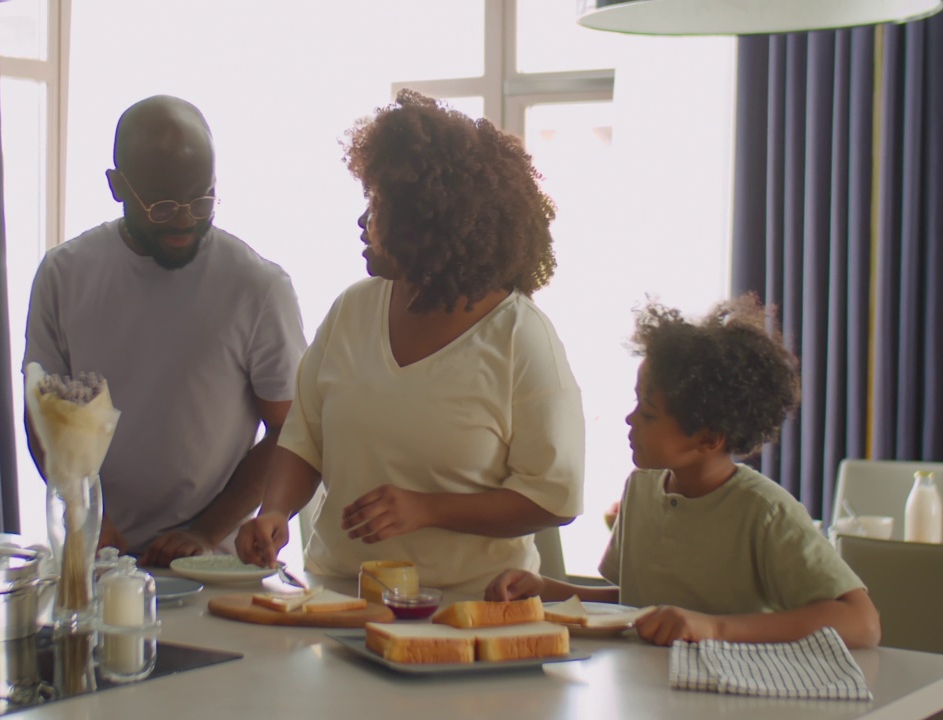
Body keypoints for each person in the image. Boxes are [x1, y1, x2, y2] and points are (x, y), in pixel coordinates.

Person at [235, 90, 585, 594]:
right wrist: (275, 511)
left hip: (470, 610)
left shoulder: (521, 337)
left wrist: (428, 509)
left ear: (428, 224)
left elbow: (555, 496)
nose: (362, 222)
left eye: (377, 207)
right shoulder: (352, 310)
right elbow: (303, 438)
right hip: (341, 597)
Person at [484, 295, 881, 649]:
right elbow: (639, 603)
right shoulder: (641, 488)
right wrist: (547, 590)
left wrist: (715, 629)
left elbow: (861, 622)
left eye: (649, 413)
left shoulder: (764, 511)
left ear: (708, 438)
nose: (630, 418)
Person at [23, 95, 306, 567]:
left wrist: (205, 531)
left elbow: (291, 430)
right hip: (98, 559)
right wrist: (85, 513)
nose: (183, 220)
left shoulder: (256, 287)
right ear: (117, 186)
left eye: (201, 201)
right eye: (161, 206)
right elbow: (42, 413)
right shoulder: (63, 274)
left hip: (211, 565)